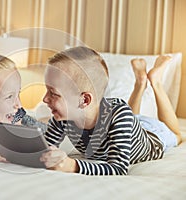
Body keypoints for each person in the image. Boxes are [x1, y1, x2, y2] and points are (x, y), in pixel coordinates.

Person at [39, 46, 182, 175]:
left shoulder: (119, 114)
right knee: (132, 116)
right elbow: (43, 151)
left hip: (153, 135)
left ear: (84, 100)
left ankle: (155, 81)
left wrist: (73, 165)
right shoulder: (63, 117)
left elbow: (118, 168)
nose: (45, 99)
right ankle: (140, 82)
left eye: (53, 93)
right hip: (129, 126)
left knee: (176, 135)